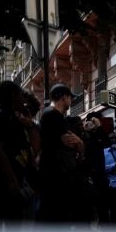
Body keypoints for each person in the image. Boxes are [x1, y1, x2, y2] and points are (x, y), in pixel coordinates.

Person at [0, 81, 35, 230]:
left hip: (10, 188)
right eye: (20, 95)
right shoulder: (1, 117)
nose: (23, 100)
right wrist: (12, 181)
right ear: (12, 96)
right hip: (0, 189)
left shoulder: (11, 118)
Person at [37, 83, 86, 224]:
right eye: (70, 97)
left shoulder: (52, 115)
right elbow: (71, 141)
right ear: (64, 97)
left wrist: (80, 143)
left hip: (56, 173)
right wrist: (80, 143)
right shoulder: (52, 115)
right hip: (56, 175)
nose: (71, 101)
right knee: (55, 217)